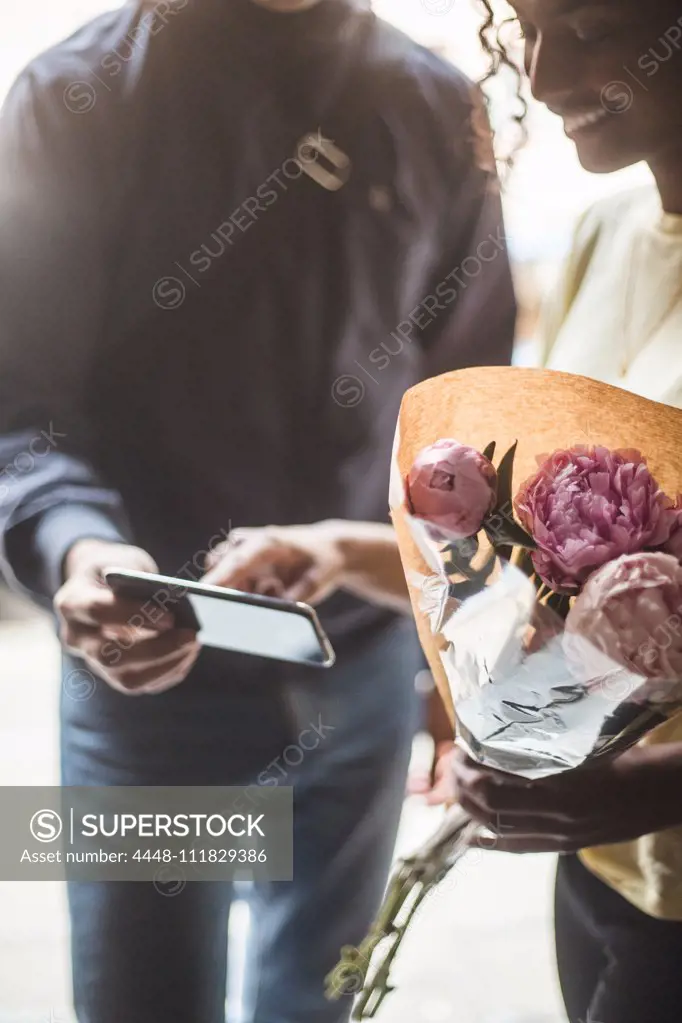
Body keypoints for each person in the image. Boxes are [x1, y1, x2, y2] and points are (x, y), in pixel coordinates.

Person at [0, 1, 516, 1021]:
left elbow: (463, 415)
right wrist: (79, 549)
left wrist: (443, 651)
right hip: (151, 695)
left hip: (357, 679)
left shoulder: (436, 104)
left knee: (316, 1003)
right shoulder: (77, 97)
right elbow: (20, 407)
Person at [226, 2, 682, 1021]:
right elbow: (547, 572)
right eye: (524, 24)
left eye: (595, 27)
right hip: (601, 871)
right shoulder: (604, 238)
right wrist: (341, 552)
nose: (544, 72)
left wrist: (659, 788)